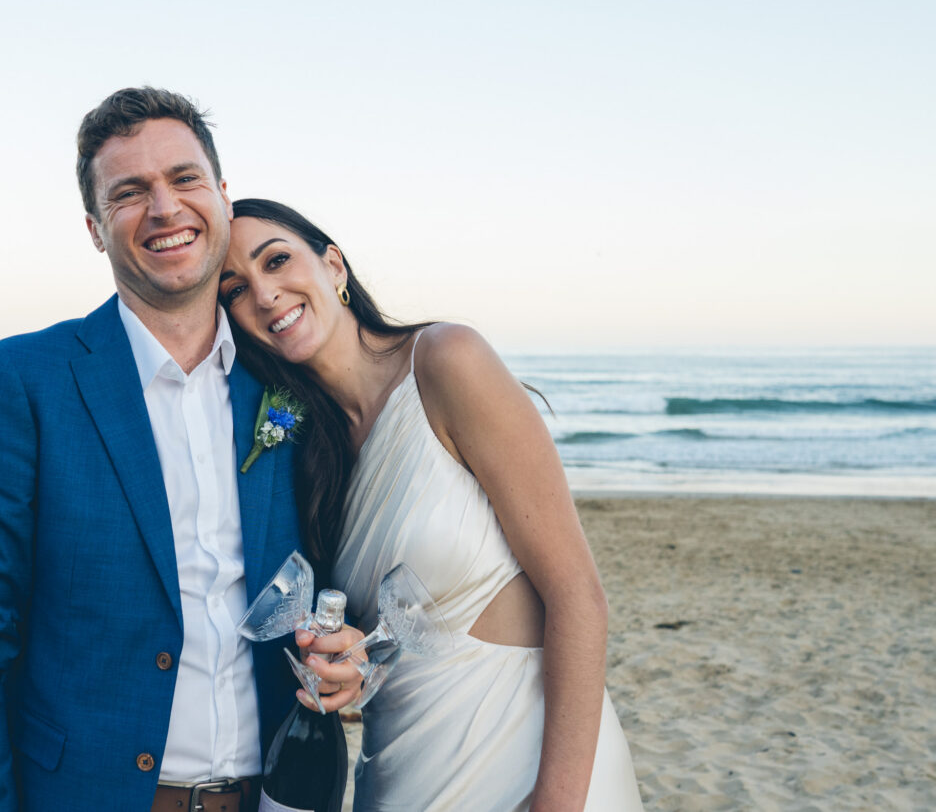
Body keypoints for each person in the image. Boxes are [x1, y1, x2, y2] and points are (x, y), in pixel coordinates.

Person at [0, 91, 359, 812]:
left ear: (221, 195)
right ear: (95, 228)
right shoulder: (22, 383)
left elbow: (336, 578)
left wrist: (346, 658)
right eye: (129, 192)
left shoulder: (291, 386)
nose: (164, 207)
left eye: (183, 179)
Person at [219, 198, 645, 811]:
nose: (264, 294)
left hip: (527, 761)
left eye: (277, 260)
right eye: (235, 289)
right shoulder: (307, 453)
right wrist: (354, 667)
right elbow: (396, 636)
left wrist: (558, 804)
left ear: (334, 267)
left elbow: (580, 595)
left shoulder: (447, 362)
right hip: (400, 772)